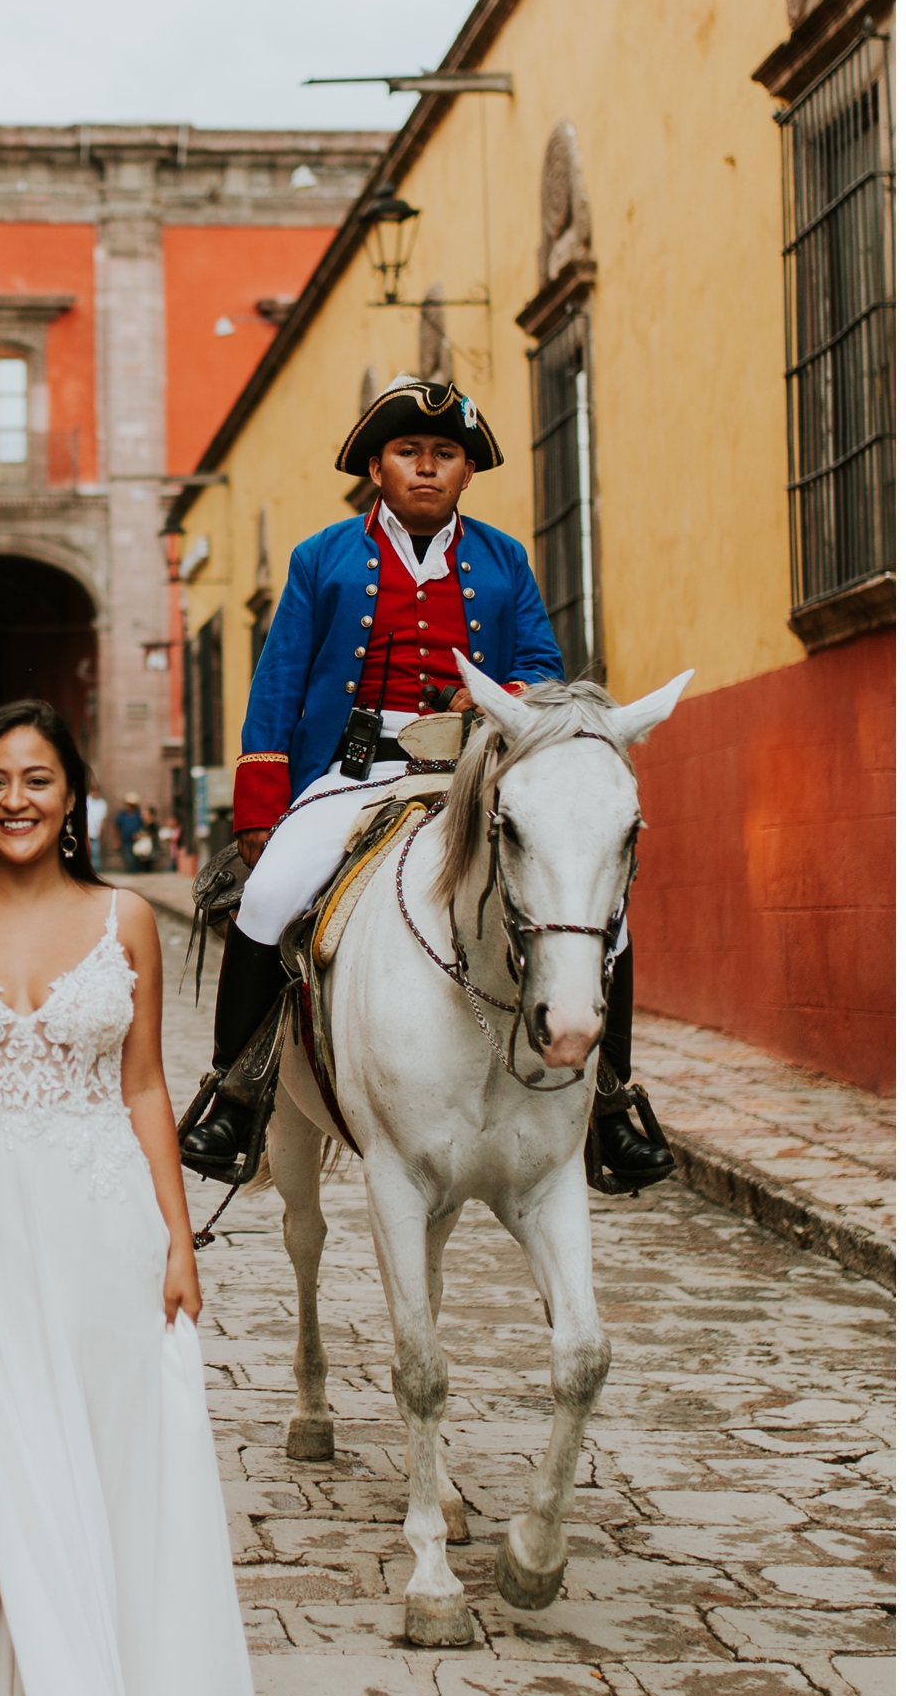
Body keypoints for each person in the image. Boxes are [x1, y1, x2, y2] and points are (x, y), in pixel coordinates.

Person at [0, 699, 262, 1696]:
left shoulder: (125, 917)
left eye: (37, 780)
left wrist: (179, 1240)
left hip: (106, 1238)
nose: (16, 800)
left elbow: (143, 1089)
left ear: (73, 794)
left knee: (108, 1482)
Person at [180, 379, 675, 1194]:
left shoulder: (504, 558)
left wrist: (499, 698)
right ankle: (235, 1089)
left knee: (607, 922)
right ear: (376, 466)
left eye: (445, 455)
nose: (426, 467)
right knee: (269, 897)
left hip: (470, 773)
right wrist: (262, 808)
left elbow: (543, 673)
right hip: (354, 773)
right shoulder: (319, 559)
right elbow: (276, 688)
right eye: (409, 452)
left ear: (466, 474)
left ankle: (611, 1106)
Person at [114, 791, 145, 872]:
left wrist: (140, 835)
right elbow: (115, 827)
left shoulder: (138, 815)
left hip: (137, 842)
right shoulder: (122, 815)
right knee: (129, 861)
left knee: (137, 860)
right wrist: (116, 841)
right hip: (126, 842)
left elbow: (144, 827)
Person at [84, 777, 108, 870]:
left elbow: (103, 820)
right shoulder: (86, 801)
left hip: (96, 833)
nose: (95, 792)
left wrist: (102, 833)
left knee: (95, 853)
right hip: (86, 831)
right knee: (86, 853)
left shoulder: (102, 803)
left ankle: (95, 872)